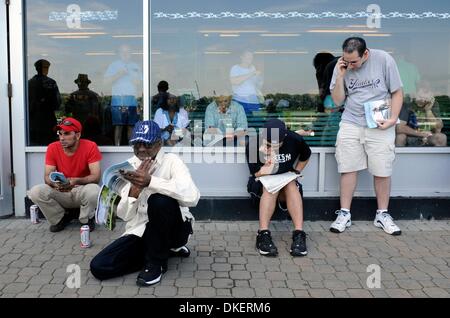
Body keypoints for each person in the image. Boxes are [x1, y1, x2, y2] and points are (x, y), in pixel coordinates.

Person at [90, 120, 200, 286]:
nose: (141, 149)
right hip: (141, 230)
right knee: (99, 266)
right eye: (137, 144)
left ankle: (157, 263)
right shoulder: (128, 167)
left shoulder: (172, 161)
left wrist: (150, 182)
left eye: (147, 144)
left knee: (159, 200)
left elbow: (192, 197)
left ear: (159, 143)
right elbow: (124, 215)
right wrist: (134, 192)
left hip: (175, 229)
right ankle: (162, 252)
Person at [330, 37, 403, 235]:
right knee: (348, 167)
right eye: (347, 60)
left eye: (354, 61)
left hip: (379, 121)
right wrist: (340, 76)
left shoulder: (383, 59)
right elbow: (337, 101)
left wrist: (392, 119)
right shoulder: (342, 66)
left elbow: (397, 92)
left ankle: (382, 214)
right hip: (351, 121)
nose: (350, 64)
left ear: (366, 54)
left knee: (382, 169)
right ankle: (344, 213)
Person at [245, 119, 311, 257]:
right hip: (262, 182)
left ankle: (299, 234)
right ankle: (263, 234)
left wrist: (296, 172)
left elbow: (306, 156)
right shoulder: (253, 144)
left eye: (276, 144)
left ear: (284, 137)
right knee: (271, 187)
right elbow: (255, 173)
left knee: (291, 184)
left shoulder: (294, 138)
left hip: (286, 180)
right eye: (269, 144)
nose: (272, 147)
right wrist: (269, 165)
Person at [27, 117, 101, 232]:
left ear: (78, 135)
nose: (62, 138)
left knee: (94, 190)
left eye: (66, 134)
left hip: (81, 189)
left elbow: (96, 177)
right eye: (60, 134)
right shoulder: (52, 147)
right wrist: (55, 184)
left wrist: (75, 181)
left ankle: (86, 219)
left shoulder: (90, 146)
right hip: (61, 190)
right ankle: (59, 219)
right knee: (35, 192)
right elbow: (47, 176)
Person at [104, 44, 142, 146]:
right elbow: (106, 82)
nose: (125, 54)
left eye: (128, 52)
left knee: (131, 125)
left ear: (131, 53)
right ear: (119, 54)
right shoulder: (113, 65)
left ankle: (132, 148)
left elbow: (139, 83)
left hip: (132, 100)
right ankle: (117, 147)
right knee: (118, 126)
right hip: (118, 99)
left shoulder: (135, 66)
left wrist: (131, 74)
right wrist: (119, 74)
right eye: (123, 52)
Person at [28, 59, 61, 145]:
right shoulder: (51, 83)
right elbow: (57, 103)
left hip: (32, 121)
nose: (46, 70)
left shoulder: (29, 83)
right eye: (45, 68)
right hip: (48, 121)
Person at [230, 50, 264, 115]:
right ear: (241, 57)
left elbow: (258, 85)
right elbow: (235, 81)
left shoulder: (253, 68)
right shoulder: (235, 68)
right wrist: (252, 73)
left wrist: (259, 78)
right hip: (240, 99)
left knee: (256, 121)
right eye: (247, 56)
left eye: (251, 57)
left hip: (252, 99)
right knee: (240, 121)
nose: (250, 58)